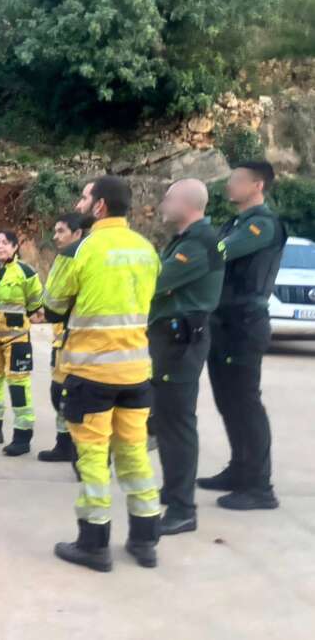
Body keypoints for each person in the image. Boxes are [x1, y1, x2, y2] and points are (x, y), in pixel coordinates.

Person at [44, 176, 162, 572]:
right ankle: (145, 541)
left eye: (83, 196)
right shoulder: (148, 249)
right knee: (134, 456)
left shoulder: (82, 249)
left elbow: (53, 304)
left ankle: (94, 545)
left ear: (99, 207)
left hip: (91, 374)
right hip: (135, 373)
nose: (79, 202)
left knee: (93, 460)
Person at [200, 161, 286, 511]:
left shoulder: (262, 224)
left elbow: (220, 252)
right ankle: (239, 470)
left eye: (237, 180)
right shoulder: (235, 223)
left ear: (258, 185)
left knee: (245, 401)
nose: (229, 185)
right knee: (227, 399)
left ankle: (260, 486)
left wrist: (192, 249)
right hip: (223, 321)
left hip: (245, 323)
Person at [148, 179, 225, 535]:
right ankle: (174, 490)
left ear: (188, 203)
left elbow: (154, 282)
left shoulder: (199, 244)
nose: (163, 203)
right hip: (170, 339)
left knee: (177, 423)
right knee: (166, 419)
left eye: (168, 198)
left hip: (181, 342)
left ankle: (183, 509)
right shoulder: (185, 240)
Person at [0, 230, 44, 455]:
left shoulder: (25, 272)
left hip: (17, 340)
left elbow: (36, 306)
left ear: (15, 247)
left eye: (5, 243)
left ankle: (22, 437)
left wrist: (31, 317)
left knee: (18, 387)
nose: (0, 246)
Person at [38, 212, 89, 463]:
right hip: (63, 339)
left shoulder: (74, 257)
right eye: (55, 231)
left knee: (73, 396)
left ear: (78, 234)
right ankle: (64, 444)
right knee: (58, 394)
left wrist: (47, 310)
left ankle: (80, 449)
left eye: (61, 231)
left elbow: (54, 305)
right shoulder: (68, 257)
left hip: (81, 341)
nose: (55, 236)